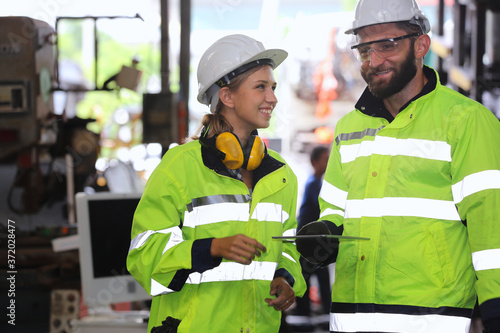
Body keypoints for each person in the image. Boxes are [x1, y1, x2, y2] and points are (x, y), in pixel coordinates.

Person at [296, 0, 500, 332]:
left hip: (432, 323)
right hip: (350, 321)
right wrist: (327, 233)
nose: (374, 61)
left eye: (387, 45)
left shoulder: (466, 122)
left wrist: (495, 311)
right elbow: (334, 209)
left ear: (421, 45)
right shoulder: (348, 128)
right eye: (364, 50)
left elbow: (492, 230)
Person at [126, 34, 306, 333]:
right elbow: (144, 257)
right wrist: (211, 248)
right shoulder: (180, 167)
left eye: (272, 87)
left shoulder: (280, 174)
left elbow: (287, 245)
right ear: (227, 96)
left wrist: (286, 277)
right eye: (260, 87)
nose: (272, 98)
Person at [293, 145, 331, 330]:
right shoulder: (313, 185)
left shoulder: (316, 183)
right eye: (325, 158)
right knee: (307, 280)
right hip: (309, 245)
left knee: (318, 279)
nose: (328, 162)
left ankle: (316, 317)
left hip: (316, 243)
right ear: (314, 162)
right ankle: (305, 319)